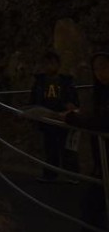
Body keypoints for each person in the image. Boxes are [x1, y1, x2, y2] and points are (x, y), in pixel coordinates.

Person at [62, 52, 109, 229]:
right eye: (96, 69)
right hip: (101, 159)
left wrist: (74, 118)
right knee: (92, 207)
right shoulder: (101, 92)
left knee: (91, 206)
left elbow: (103, 122)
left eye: (104, 67)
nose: (100, 73)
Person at [30, 51, 79, 181]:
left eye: (52, 63)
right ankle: (50, 174)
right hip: (47, 119)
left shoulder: (66, 81)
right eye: (46, 63)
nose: (49, 66)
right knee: (50, 148)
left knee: (67, 148)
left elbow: (73, 98)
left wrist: (71, 106)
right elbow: (34, 98)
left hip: (63, 118)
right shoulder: (39, 81)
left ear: (58, 64)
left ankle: (72, 175)